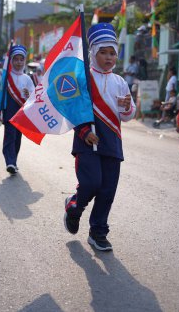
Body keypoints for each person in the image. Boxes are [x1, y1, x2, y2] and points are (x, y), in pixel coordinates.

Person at [64, 23, 136, 251]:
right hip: (88, 142)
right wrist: (84, 131)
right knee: (92, 183)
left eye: (112, 52)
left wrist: (126, 106)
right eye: (102, 52)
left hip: (112, 143)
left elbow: (129, 115)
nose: (108, 57)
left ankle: (98, 232)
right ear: (93, 53)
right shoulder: (83, 78)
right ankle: (74, 206)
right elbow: (72, 108)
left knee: (107, 191)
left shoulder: (120, 82)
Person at [0, 45, 35, 175]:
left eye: (21, 59)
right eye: (16, 59)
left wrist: (29, 95)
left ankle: (14, 161)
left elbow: (34, 96)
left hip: (22, 114)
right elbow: (0, 95)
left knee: (17, 139)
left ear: (24, 61)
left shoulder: (27, 78)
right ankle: (9, 161)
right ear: (11, 61)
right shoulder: (6, 77)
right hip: (9, 112)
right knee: (10, 137)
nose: (18, 62)